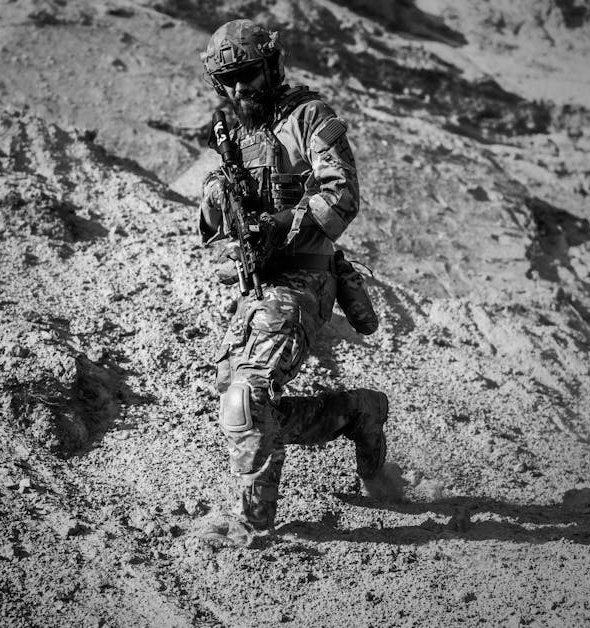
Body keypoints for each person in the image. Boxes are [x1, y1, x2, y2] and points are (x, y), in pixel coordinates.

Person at [196, 19, 389, 547]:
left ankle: (253, 528)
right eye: (228, 81)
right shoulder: (233, 133)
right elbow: (212, 225)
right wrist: (219, 196)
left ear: (272, 66)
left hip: (307, 276)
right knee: (254, 410)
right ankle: (356, 412)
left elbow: (342, 196)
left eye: (249, 75)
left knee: (246, 397)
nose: (240, 90)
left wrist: (279, 223)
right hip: (259, 285)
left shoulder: (309, 117)